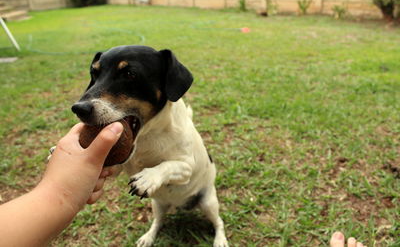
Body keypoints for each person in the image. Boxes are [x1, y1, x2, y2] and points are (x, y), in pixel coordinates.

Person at [0, 122, 367, 247]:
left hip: (197, 189)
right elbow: (124, 162)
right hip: (162, 197)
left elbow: (187, 167)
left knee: (210, 206)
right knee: (157, 205)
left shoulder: (179, 135)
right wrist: (64, 182)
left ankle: (219, 230)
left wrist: (58, 194)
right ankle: (156, 225)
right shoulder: (136, 135)